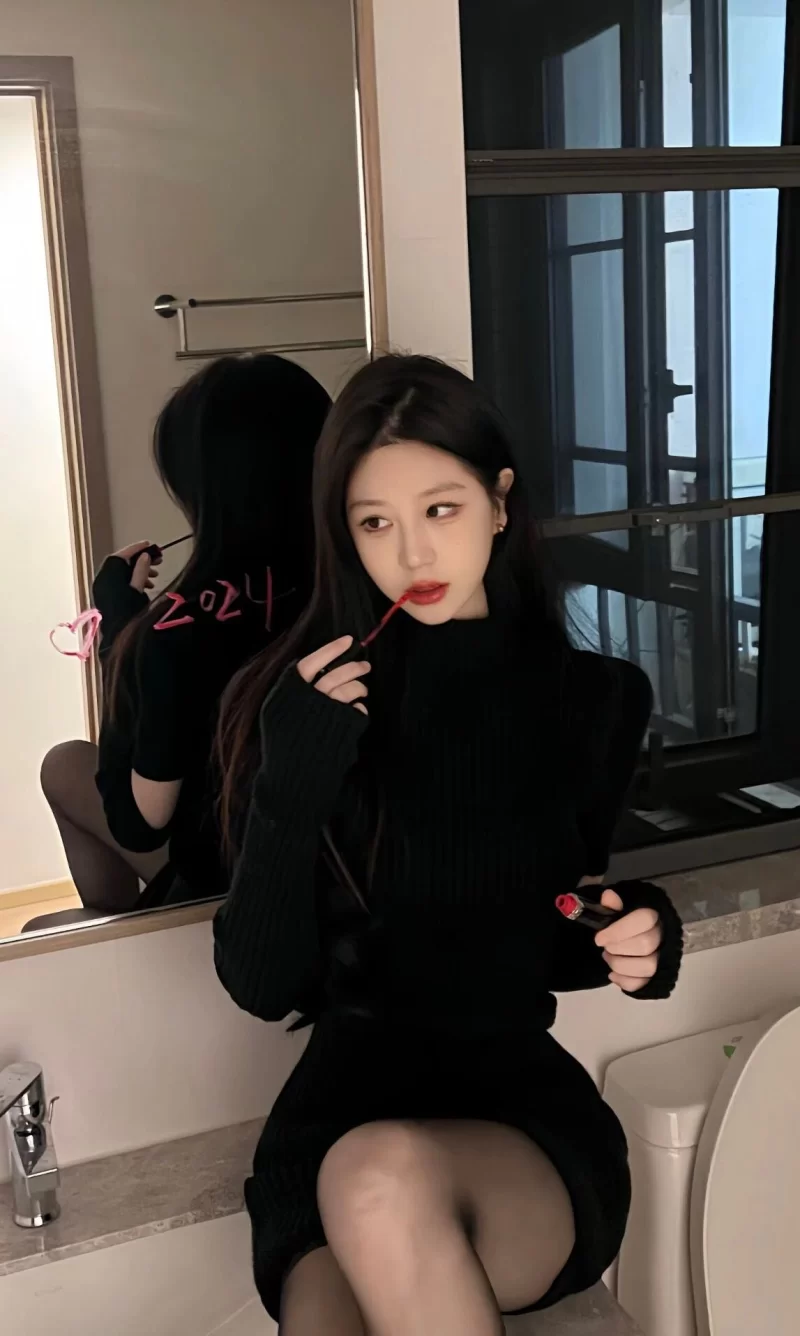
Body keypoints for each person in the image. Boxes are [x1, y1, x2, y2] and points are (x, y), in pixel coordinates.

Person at [213, 354, 684, 1336]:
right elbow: (262, 984)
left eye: (439, 508)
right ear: (342, 533)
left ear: (499, 501)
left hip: (516, 1129)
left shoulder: (593, 700)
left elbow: (554, 922)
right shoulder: (299, 706)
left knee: (379, 1179)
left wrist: (633, 928)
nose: (411, 551)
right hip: (335, 1113)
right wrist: (291, 782)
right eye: (373, 523)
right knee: (356, 1201)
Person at [38, 353, 332, 922]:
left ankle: (131, 941)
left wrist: (122, 636)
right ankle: (129, 933)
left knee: (44, 928)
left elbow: (139, 824)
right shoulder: (353, 588)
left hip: (244, 893)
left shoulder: (176, 636)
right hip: (328, 867)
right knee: (64, 764)